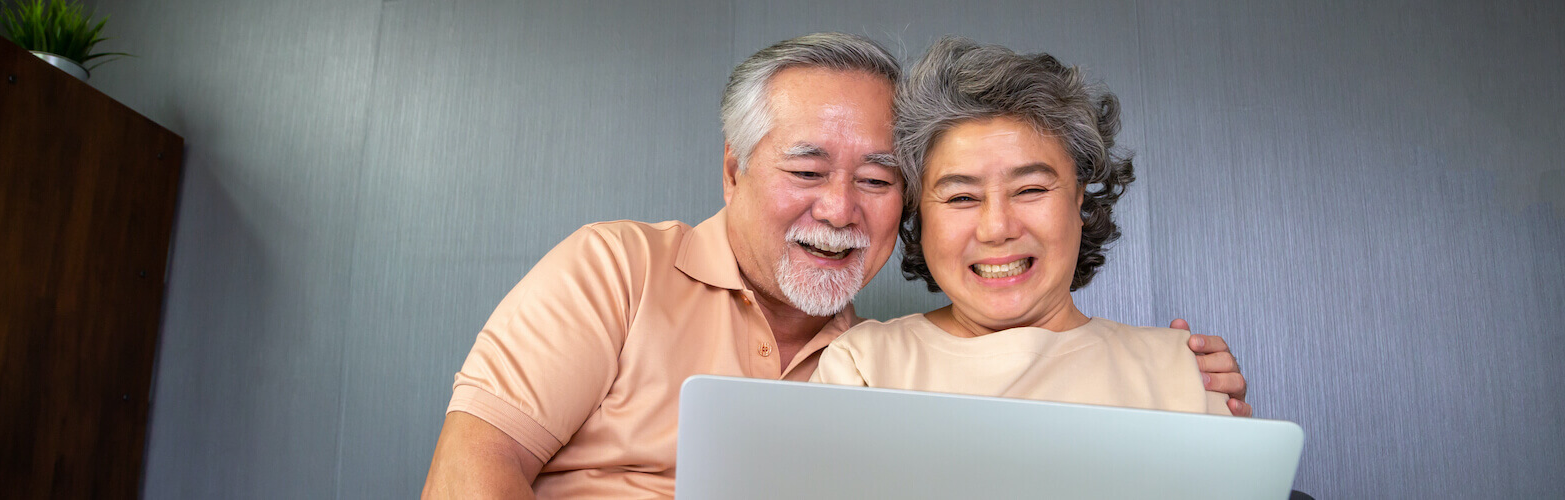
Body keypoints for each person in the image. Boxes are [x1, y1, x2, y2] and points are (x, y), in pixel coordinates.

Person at [422, 33, 1248, 499]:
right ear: (733, 170)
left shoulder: (852, 351)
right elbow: (475, 463)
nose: (840, 208)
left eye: (878, 179)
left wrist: (1171, 379)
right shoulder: (619, 267)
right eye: (808, 170)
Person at [812, 36, 1229, 415]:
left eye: (1030, 189)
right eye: (961, 197)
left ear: (1079, 193)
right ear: (918, 213)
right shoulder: (863, 365)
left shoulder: (1181, 371)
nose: (997, 228)